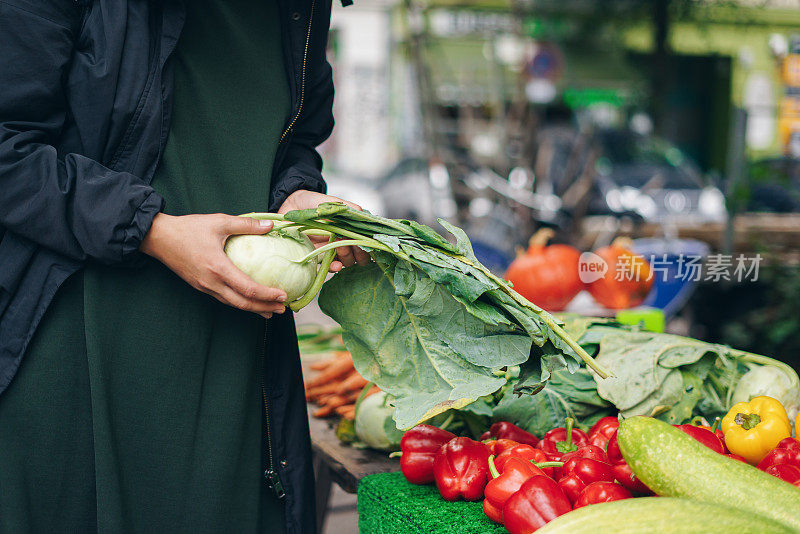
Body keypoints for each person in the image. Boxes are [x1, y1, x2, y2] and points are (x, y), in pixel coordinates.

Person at [0, 1, 366, 532]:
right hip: (78, 355)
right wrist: (152, 229)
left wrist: (298, 195)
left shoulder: (302, 8)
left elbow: (293, 141)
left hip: (239, 360)